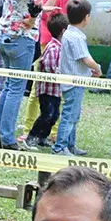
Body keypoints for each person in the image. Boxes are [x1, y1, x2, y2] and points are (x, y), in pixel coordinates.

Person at [0, 0, 42, 149]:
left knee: (9, 86)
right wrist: (33, 19)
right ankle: (7, 137)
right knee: (16, 88)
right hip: (21, 37)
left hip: (5, 35)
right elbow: (36, 3)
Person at [54, 0, 99, 155]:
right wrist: (97, 68)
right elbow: (86, 59)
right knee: (70, 116)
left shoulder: (68, 33)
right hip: (74, 82)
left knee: (73, 114)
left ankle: (70, 145)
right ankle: (59, 147)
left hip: (72, 79)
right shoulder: (77, 37)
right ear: (86, 17)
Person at [27, 11, 67, 147]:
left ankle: (42, 137)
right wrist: (61, 75)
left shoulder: (60, 47)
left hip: (56, 90)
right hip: (47, 90)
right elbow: (50, 66)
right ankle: (32, 136)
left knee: (54, 115)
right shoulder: (53, 47)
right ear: (63, 31)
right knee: (47, 114)